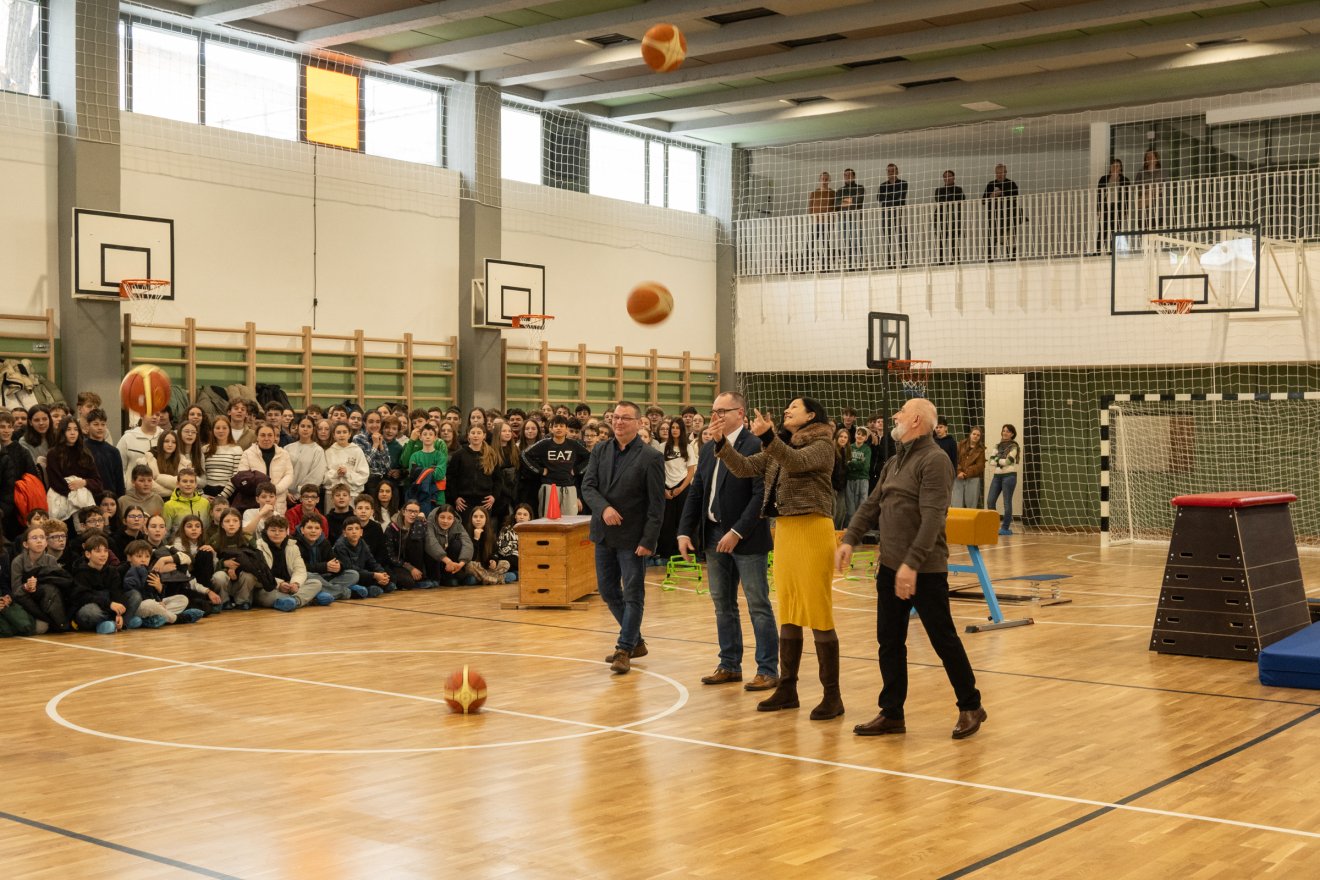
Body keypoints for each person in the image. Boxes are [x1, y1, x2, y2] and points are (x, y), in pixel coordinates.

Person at [839, 396, 987, 740]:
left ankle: (971, 705)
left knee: (943, 639)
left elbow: (934, 517)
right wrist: (849, 539)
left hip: (924, 569)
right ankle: (892, 713)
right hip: (890, 566)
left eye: (902, 411)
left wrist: (912, 564)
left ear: (917, 420)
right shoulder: (894, 461)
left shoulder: (935, 460)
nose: (895, 415)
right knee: (889, 641)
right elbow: (871, 504)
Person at [712, 397, 842, 720]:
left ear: (811, 415)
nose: (787, 411)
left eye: (794, 408)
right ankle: (788, 688)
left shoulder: (824, 444)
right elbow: (744, 467)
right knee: (789, 609)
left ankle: (832, 696)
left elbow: (797, 462)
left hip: (813, 529)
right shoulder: (779, 445)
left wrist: (768, 437)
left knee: (818, 611)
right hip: (784, 530)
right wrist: (720, 444)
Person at [677, 391, 778, 692]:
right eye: (714, 411)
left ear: (740, 414)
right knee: (723, 604)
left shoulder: (756, 444)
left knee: (758, 604)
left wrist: (737, 532)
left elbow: (761, 495)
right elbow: (697, 492)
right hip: (712, 534)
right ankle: (729, 664)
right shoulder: (708, 449)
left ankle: (767, 669)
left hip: (745, 538)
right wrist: (684, 531)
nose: (717, 416)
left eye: (723, 410)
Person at [580, 400, 665, 675]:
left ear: (638, 423)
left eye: (625, 418)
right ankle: (636, 641)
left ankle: (624, 648)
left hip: (633, 538)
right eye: (615, 417)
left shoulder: (651, 457)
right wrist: (603, 508)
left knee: (633, 594)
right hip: (604, 533)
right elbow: (588, 486)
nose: (618, 422)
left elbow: (656, 505)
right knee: (607, 590)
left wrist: (648, 541)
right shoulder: (600, 450)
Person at [255, 516, 322, 611]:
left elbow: (300, 569)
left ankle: (294, 601)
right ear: (266, 531)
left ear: (287, 532)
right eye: (273, 530)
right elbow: (261, 573)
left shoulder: (293, 546)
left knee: (316, 583)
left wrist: (295, 583)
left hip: (289, 586)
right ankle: (307, 599)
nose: (277, 533)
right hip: (270, 587)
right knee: (264, 594)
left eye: (281, 530)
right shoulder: (258, 547)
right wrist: (279, 584)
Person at [655, 419, 695, 564]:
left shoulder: (688, 448)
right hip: (666, 487)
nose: (674, 430)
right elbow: (658, 471)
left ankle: (686, 555)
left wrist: (681, 488)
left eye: (678, 428)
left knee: (683, 521)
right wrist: (664, 489)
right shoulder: (661, 447)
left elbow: (691, 471)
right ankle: (666, 555)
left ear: (682, 430)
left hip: (682, 486)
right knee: (667, 523)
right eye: (673, 427)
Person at [239, 424, 294, 514]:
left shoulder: (284, 454)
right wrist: (262, 493)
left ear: (274, 437)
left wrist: (275, 490)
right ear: (257, 437)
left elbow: (289, 475)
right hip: (255, 501)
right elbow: (243, 476)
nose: (266, 438)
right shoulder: (247, 454)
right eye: (263, 435)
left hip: (278, 501)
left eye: (270, 435)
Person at [285, 416, 328, 511]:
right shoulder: (288, 448)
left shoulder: (317, 450)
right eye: (302, 426)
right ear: (298, 427)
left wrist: (298, 494)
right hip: (286, 496)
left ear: (313, 429)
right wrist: (285, 492)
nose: (305, 429)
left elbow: (316, 476)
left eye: (309, 426)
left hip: (306, 497)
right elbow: (281, 472)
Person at [986, 423, 1021, 536]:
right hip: (997, 476)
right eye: (1003, 430)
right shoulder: (997, 445)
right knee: (990, 501)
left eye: (1007, 431)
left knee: (1007, 502)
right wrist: (1001, 460)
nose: (1005, 433)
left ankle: (1005, 528)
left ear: (1012, 434)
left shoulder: (1014, 446)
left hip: (1009, 476)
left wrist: (998, 460)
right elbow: (990, 461)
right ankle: (993, 526)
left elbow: (1008, 461)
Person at [83, 408, 125, 500]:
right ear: (87, 426)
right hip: (88, 498)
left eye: (103, 424)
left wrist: (120, 500)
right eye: (96, 424)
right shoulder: (81, 449)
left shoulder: (113, 452)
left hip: (109, 498)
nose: (100, 428)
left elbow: (119, 481)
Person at [982, 164, 1021, 261]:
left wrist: (1002, 193)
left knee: (1010, 239)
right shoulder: (991, 184)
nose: (999, 175)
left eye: (1002, 173)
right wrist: (991, 196)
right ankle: (989, 261)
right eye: (998, 173)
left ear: (1005, 173)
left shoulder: (1011, 184)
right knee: (991, 238)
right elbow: (983, 200)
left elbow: (1015, 196)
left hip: (1008, 216)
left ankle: (1012, 260)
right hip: (994, 216)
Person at [115, 410, 161, 487]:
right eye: (151, 414)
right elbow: (119, 466)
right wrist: (125, 485)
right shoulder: (128, 438)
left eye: (157, 415)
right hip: (132, 490)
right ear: (141, 415)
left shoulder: (164, 437)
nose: (154, 417)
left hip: (160, 491)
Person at [875, 164, 908, 267]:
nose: (891, 173)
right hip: (887, 214)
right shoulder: (883, 185)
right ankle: (889, 263)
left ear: (897, 171)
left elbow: (900, 196)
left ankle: (903, 262)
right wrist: (892, 196)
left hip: (899, 214)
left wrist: (888, 196)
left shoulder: (903, 183)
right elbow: (879, 198)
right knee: (888, 239)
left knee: (902, 238)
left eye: (893, 170)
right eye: (889, 171)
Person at [202, 416, 243, 498]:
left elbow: (235, 477)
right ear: (213, 430)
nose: (221, 431)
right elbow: (200, 473)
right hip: (206, 492)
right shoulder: (205, 449)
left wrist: (222, 497)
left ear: (229, 430)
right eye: (217, 428)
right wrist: (203, 496)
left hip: (228, 493)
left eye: (224, 428)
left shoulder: (237, 450)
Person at [1096, 157, 1130, 254]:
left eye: (1117, 166)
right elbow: (1099, 194)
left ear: (1120, 168)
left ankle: (1112, 251)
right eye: (1113, 166)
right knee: (1103, 229)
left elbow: (1126, 196)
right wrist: (1098, 208)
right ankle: (1097, 252)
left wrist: (1126, 209)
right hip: (1106, 207)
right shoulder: (1104, 179)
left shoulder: (1124, 180)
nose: (1115, 168)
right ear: (1110, 168)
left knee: (1115, 230)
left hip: (1117, 207)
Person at [933, 169, 965, 264]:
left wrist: (948, 201)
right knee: (941, 241)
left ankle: (955, 260)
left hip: (954, 219)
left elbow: (961, 200)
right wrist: (951, 201)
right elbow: (939, 200)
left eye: (949, 176)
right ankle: (940, 261)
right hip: (941, 219)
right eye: (945, 176)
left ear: (954, 177)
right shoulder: (939, 190)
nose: (947, 178)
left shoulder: (958, 189)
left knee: (954, 240)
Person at [807, 170, 837, 270]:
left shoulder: (833, 193)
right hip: (816, 222)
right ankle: (807, 264)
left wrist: (831, 219)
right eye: (822, 179)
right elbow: (810, 208)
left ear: (829, 180)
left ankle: (825, 265)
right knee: (811, 242)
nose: (824, 180)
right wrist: (814, 218)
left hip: (827, 222)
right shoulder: (814, 193)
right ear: (819, 180)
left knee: (826, 242)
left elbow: (835, 207)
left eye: (826, 179)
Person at [837, 167, 865, 269]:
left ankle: (860, 264)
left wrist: (845, 201)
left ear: (854, 176)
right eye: (845, 175)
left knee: (858, 241)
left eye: (849, 175)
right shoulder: (840, 190)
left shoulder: (860, 188)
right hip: (843, 219)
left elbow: (859, 200)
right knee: (847, 242)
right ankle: (850, 265)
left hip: (856, 218)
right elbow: (837, 204)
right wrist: (852, 199)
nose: (847, 177)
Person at [1134, 148, 1166, 231]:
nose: (1149, 158)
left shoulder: (1162, 172)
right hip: (1143, 209)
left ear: (1156, 158)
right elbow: (1136, 188)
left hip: (1157, 209)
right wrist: (1148, 191)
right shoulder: (1141, 173)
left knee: (1155, 235)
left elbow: (1166, 189)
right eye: (1147, 157)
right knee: (1144, 234)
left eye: (1151, 156)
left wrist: (1155, 191)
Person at [954, 427, 986, 509]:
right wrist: (959, 472)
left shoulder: (981, 449)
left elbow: (980, 466)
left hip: (973, 479)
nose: (975, 436)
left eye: (978, 435)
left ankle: (970, 522)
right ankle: (957, 522)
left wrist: (965, 473)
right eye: (974, 434)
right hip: (958, 477)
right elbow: (954, 459)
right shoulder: (960, 445)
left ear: (980, 437)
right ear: (970, 435)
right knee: (956, 504)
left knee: (971, 506)